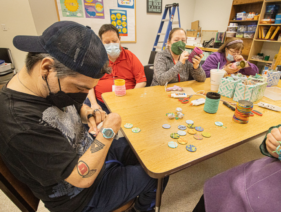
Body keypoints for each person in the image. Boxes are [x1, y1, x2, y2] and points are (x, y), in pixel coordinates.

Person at [0, 21, 167, 212]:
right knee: (157, 175)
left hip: (91, 156)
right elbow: (82, 178)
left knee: (152, 154)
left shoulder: (42, 85)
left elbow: (71, 102)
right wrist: (108, 131)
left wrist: (88, 112)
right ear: (46, 68)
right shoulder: (20, 123)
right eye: (80, 88)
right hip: (79, 195)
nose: (84, 94)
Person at [193, 116, 281, 212]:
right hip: (253, 181)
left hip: (276, 201)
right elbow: (279, 131)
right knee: (215, 198)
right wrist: (274, 141)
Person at [85, 24, 146, 114]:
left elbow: (141, 81)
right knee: (87, 114)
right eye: (107, 42)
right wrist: (94, 104)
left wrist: (131, 98)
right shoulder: (96, 58)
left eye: (114, 41)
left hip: (127, 102)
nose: (112, 44)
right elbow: (88, 84)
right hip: (101, 103)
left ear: (119, 39)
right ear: (101, 42)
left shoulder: (130, 57)